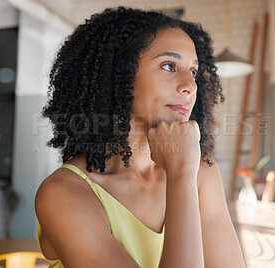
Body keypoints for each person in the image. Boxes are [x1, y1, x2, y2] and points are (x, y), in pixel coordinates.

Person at [35, 6, 245, 268]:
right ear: (116, 75)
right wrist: (180, 176)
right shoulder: (63, 193)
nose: (190, 87)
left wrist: (185, 172)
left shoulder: (202, 172)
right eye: (169, 66)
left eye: (193, 71)